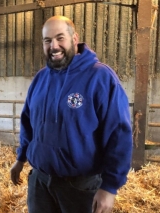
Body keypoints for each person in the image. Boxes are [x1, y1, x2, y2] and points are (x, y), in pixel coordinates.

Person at [10, 16, 133, 213]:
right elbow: (28, 122)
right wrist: (21, 158)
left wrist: (110, 187)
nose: (54, 46)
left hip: (81, 186)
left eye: (60, 38)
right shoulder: (41, 78)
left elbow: (119, 133)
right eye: (47, 40)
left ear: (74, 39)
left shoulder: (100, 77)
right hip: (40, 182)